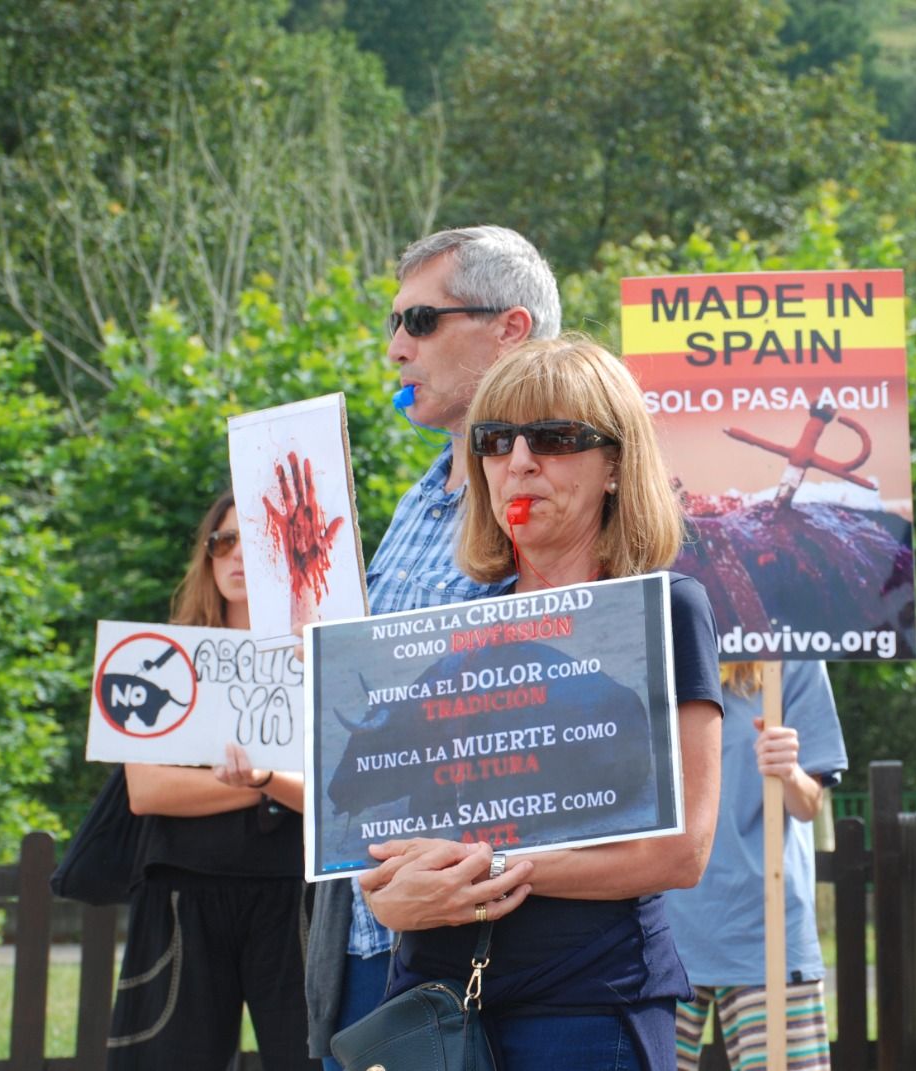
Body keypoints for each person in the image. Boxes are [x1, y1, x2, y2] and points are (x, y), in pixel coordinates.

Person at [356, 336, 724, 1069]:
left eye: (554, 438)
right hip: (429, 1001)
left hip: (586, 1003)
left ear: (616, 464)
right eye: (496, 440)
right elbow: (382, 845)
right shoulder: (444, 632)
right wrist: (389, 901)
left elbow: (681, 852)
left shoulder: (666, 610)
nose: (519, 461)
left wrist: (486, 871)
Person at [305, 224, 562, 1069]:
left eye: (419, 321)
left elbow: (560, 736)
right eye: (393, 323)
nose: (394, 349)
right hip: (375, 927)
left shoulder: (560, 504)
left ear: (510, 329)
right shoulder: (416, 501)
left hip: (485, 938)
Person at [108, 491, 314, 1070]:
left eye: (258, 540)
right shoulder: (156, 655)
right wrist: (267, 783)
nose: (239, 556)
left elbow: (330, 795)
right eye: (225, 541)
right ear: (207, 556)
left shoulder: (316, 655)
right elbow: (147, 792)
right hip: (181, 891)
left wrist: (268, 779)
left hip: (291, 893)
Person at [664, 660, 847, 1071]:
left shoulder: (791, 655)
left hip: (765, 928)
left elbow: (809, 805)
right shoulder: (660, 640)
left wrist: (789, 771)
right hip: (661, 933)